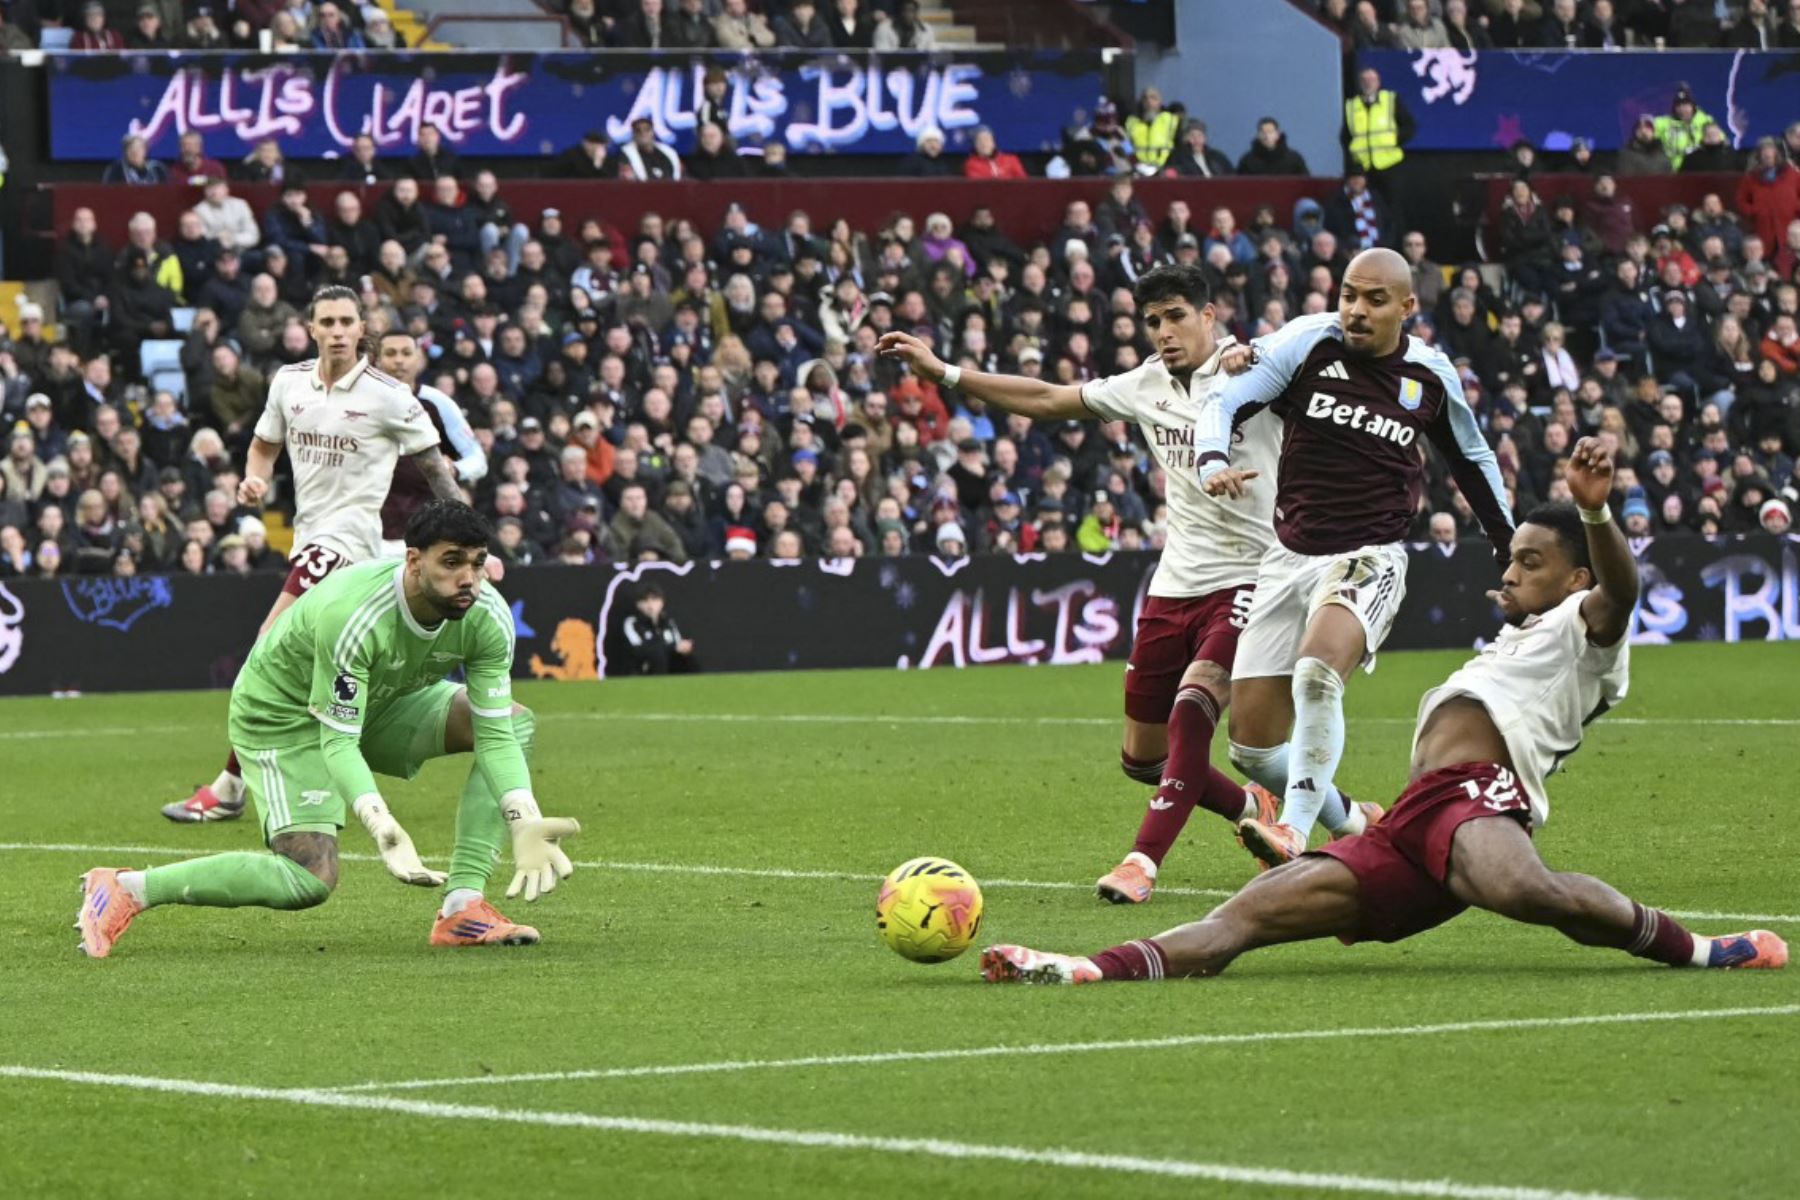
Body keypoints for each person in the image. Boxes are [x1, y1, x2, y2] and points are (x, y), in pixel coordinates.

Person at [982, 444, 1788, 985]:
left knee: (1527, 890)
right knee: (1252, 914)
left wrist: (1596, 515)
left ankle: (1705, 951)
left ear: (1575, 578)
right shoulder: (1516, 637)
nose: (1509, 573)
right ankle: (1087, 968)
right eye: (1508, 560)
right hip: (1411, 821)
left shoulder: (1586, 631)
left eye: (1531, 563)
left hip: (1480, 796)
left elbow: (1623, 592)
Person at [880, 265, 1290, 906]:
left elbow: (1318, 353)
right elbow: (1048, 399)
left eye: (1177, 315)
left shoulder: (1257, 370)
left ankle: (1140, 863)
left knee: (1195, 703)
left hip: (1256, 574)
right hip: (1177, 581)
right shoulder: (1145, 384)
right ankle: (1252, 804)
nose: (1163, 332)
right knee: (1142, 759)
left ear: (1210, 316)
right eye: (1153, 321)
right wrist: (947, 374)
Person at [78, 502, 583, 957]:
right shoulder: (356, 615)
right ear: (413, 562)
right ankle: (128, 887)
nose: (468, 578)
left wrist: (524, 819)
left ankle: (463, 907)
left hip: (379, 702)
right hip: (284, 714)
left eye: (476, 563)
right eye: (451, 562)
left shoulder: (486, 615)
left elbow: (493, 732)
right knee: (309, 879)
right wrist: (383, 825)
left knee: (513, 722)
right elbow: (338, 740)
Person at [1193, 248, 1514, 869]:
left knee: (1317, 673)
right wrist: (1212, 457)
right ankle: (1354, 820)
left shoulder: (1430, 376)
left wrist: (1508, 545)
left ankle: (1291, 830)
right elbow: (1227, 399)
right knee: (1252, 750)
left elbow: (1472, 461)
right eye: (1348, 296)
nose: (1356, 311)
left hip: (1371, 553)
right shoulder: (1309, 344)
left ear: (1407, 307)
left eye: (1374, 300)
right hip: (1288, 557)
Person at [161, 285, 464, 825]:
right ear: (312, 327)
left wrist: (472, 538)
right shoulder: (288, 382)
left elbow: (436, 468)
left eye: (348, 320)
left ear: (361, 328)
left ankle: (231, 787)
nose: (339, 330)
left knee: (266, 646)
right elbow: (264, 444)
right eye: (328, 321)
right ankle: (285, 768)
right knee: (310, 665)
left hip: (348, 543)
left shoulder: (389, 395)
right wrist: (255, 479)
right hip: (310, 536)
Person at [373, 331, 490, 554]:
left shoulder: (437, 403)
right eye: (390, 353)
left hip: (426, 529)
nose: (399, 360)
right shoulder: (362, 403)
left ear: (418, 360)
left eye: (406, 353)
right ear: (377, 361)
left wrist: (454, 469)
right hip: (372, 528)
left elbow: (478, 459)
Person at [1342, 67, 1414, 225]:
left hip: (1390, 165)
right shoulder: (1351, 106)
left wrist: (1393, 140)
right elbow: (1345, 137)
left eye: (1372, 80)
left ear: (1378, 82)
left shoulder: (1390, 100)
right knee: (1368, 209)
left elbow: (1410, 127)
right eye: (1364, 80)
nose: (1368, 84)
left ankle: (1393, 248)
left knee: (1394, 209)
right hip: (1364, 167)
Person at [617, 583, 696, 675]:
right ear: (638, 604)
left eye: (654, 600)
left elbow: (677, 643)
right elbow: (639, 649)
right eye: (645, 600)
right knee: (657, 656)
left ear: (662, 603)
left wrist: (684, 647)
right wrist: (671, 647)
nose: (650, 605)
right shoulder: (633, 623)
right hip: (644, 668)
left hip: (670, 666)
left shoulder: (669, 622)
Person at [1236, 117, 1309, 177]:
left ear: (1278, 134)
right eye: (1263, 132)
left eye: (1270, 132)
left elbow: (1306, 185)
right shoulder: (1247, 161)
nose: (1267, 136)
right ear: (1258, 135)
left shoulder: (1294, 159)